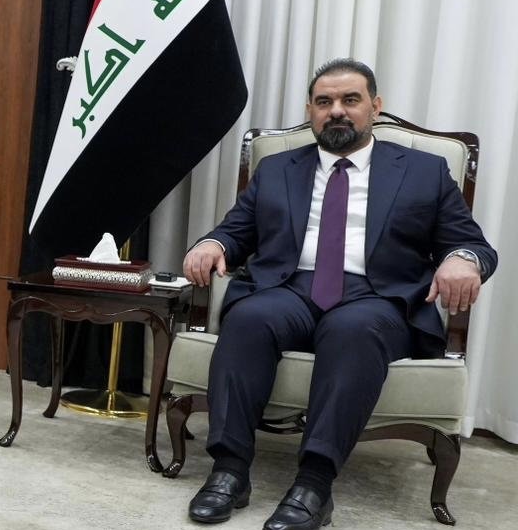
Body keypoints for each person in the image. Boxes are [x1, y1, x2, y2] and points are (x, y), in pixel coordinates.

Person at [181, 58, 497, 530]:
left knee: (352, 330)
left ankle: (314, 484)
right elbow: (236, 230)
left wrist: (462, 259)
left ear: (375, 106)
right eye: (324, 101)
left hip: (378, 298)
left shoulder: (424, 171)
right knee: (247, 318)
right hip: (289, 289)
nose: (337, 111)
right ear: (310, 109)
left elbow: (472, 243)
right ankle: (229, 471)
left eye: (350, 99)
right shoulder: (276, 169)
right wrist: (212, 244)